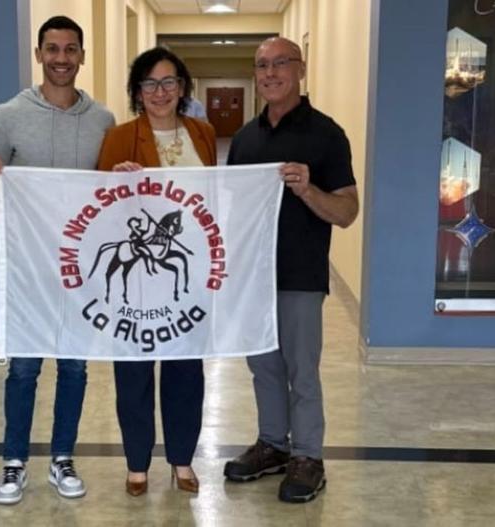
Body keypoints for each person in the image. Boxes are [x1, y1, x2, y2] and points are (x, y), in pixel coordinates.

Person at [0, 15, 115, 506]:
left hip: (82, 270)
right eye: (53, 49)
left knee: (74, 368)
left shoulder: (102, 120)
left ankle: (62, 457)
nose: (62, 59)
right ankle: (14, 462)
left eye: (71, 50)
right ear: (39, 54)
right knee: (24, 370)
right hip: (30, 269)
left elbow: (110, 190)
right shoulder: (9, 114)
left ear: (82, 56)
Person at [220, 37, 359, 504]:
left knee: (302, 370)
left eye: (281, 63)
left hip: (300, 274)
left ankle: (308, 456)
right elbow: (233, 209)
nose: (270, 73)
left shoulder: (326, 134)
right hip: (252, 278)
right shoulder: (245, 138)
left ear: (300, 69)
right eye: (261, 65)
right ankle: (273, 444)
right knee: (262, 367)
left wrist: (307, 190)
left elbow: (346, 211)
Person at [96, 46, 217, 497]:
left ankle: (183, 459)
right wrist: (118, 181)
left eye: (169, 82)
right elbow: (98, 208)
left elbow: (211, 201)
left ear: (182, 88)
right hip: (138, 282)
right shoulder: (120, 136)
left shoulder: (202, 134)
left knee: (186, 371)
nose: (160, 92)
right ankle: (137, 463)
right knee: (133, 372)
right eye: (150, 84)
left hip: (187, 283)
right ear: (137, 92)